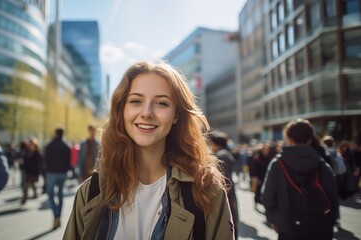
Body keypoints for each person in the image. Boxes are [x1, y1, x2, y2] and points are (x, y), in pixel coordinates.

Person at [63, 61, 234, 239]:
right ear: (122, 110)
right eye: (136, 101)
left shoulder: (206, 190)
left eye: (161, 103)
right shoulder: (91, 191)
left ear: (176, 114)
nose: (147, 113)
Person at [262, 118, 338, 240]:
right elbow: (333, 196)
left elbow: (267, 197)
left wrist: (276, 221)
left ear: (288, 139)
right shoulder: (322, 163)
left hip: (289, 227)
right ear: (309, 140)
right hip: (320, 226)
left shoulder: (278, 164)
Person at [208, 130, 239, 238]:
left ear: (214, 143)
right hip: (229, 192)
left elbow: (222, 180)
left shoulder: (221, 156)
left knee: (227, 222)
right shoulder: (225, 153)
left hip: (225, 193)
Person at [44, 128, 71, 229]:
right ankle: (58, 215)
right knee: (60, 194)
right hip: (63, 173)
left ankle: (56, 214)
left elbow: (46, 159)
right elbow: (69, 161)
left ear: (56, 133)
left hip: (52, 172)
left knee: (50, 193)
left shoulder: (50, 145)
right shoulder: (66, 146)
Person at [21, 138, 42, 204]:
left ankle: (35, 194)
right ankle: (24, 199)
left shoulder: (37, 153)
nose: (31, 146)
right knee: (26, 185)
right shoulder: (26, 152)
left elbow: (39, 163)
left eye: (32, 144)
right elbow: (25, 161)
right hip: (28, 171)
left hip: (34, 172)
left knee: (32, 184)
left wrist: (38, 172)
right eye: (30, 144)